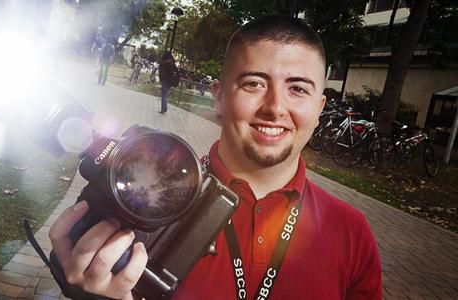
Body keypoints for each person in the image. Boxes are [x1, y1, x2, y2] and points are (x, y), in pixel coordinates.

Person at [48, 15, 382, 299]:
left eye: (298, 89)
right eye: (253, 83)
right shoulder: (141, 200)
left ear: (320, 109)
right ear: (218, 98)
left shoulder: (352, 232)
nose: (276, 108)